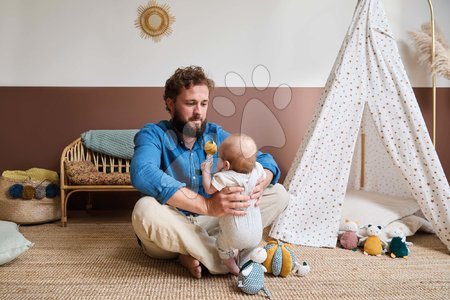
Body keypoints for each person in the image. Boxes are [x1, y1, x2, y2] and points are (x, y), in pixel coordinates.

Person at [130, 65, 289, 279]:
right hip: (173, 221)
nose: (199, 112)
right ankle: (229, 260)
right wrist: (206, 205)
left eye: (204, 103)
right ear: (170, 104)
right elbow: (142, 172)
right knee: (144, 210)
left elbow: (263, 159)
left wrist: (262, 180)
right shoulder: (152, 134)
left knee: (278, 194)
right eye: (190, 103)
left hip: (214, 224)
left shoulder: (216, 134)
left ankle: (191, 252)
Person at [201, 133, 265, 275]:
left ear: (226, 165)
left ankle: (235, 271)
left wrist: (206, 171)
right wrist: (258, 187)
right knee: (248, 249)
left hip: (235, 234)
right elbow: (263, 176)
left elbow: (208, 189)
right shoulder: (258, 169)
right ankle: (245, 268)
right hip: (256, 233)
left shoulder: (224, 177)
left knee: (222, 247)